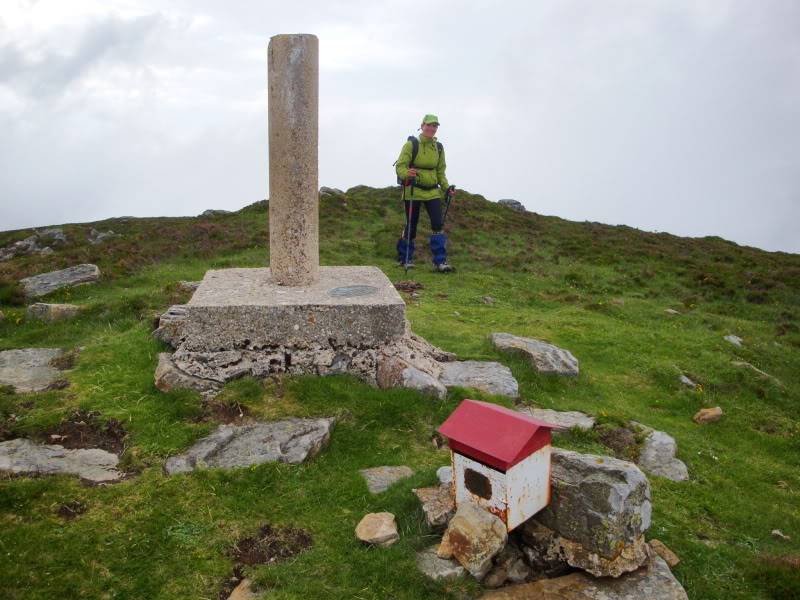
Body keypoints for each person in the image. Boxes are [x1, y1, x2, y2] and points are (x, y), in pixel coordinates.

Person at [394, 114, 456, 272]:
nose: (432, 128)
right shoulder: (411, 145)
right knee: (411, 226)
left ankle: (440, 262)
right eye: (429, 125)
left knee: (437, 224)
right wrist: (408, 174)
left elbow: (441, 172)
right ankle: (405, 258)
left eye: (435, 126)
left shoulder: (439, 148)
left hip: (432, 192)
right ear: (422, 126)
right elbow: (400, 166)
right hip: (413, 190)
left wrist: (447, 188)